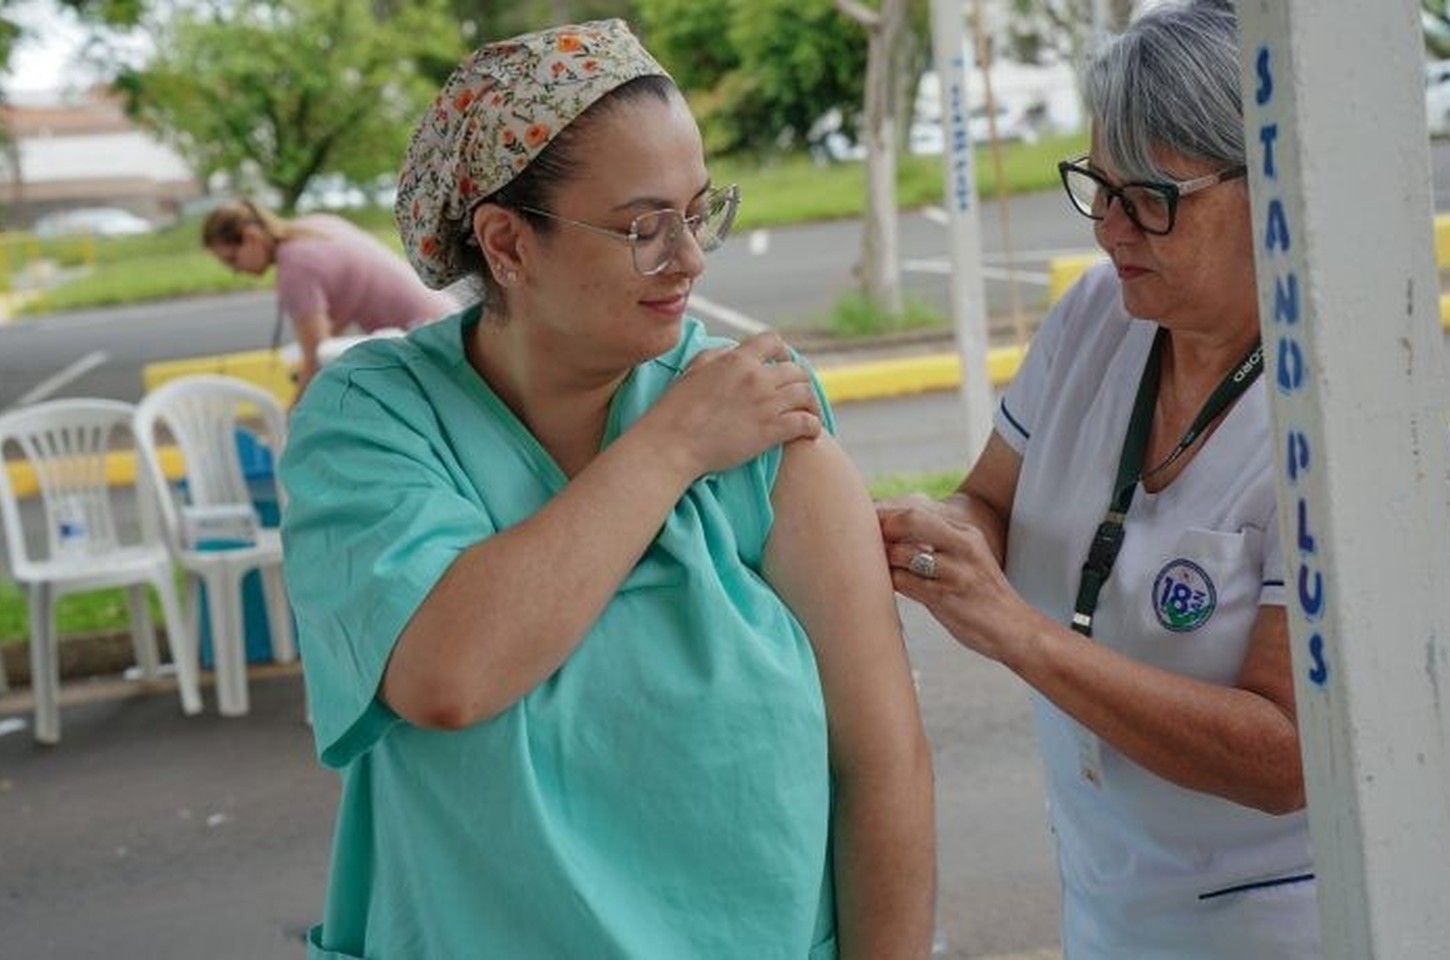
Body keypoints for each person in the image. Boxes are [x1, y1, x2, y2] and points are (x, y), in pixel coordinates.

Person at [279, 19, 934, 960]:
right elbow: (448, 676)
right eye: (643, 227)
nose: (690, 258)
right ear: (508, 242)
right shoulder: (375, 418)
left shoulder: (761, 414)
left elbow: (882, 763)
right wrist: (672, 445)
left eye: (699, 213)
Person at [877, 2, 1320, 957]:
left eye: (1150, 197)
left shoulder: (1328, 410)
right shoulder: (1100, 315)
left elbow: (1288, 756)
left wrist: (1022, 636)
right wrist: (941, 535)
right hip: (1105, 902)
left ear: (1271, 180)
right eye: (1099, 188)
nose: (1110, 230)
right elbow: (990, 501)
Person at [202, 199, 455, 402]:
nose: (235, 271)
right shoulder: (314, 226)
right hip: (447, 320)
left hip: (428, 347)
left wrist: (289, 416)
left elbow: (317, 359)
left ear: (251, 237)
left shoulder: (294, 269)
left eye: (232, 260)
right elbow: (340, 310)